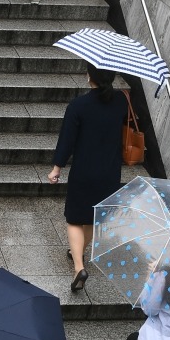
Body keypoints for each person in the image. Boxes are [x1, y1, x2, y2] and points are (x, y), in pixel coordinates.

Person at [47, 64, 127, 292]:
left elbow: (67, 141)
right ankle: (77, 250)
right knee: (93, 216)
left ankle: (79, 266)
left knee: (74, 218)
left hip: (84, 171)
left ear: (89, 77)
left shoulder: (79, 106)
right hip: (110, 171)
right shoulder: (121, 101)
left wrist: (56, 168)